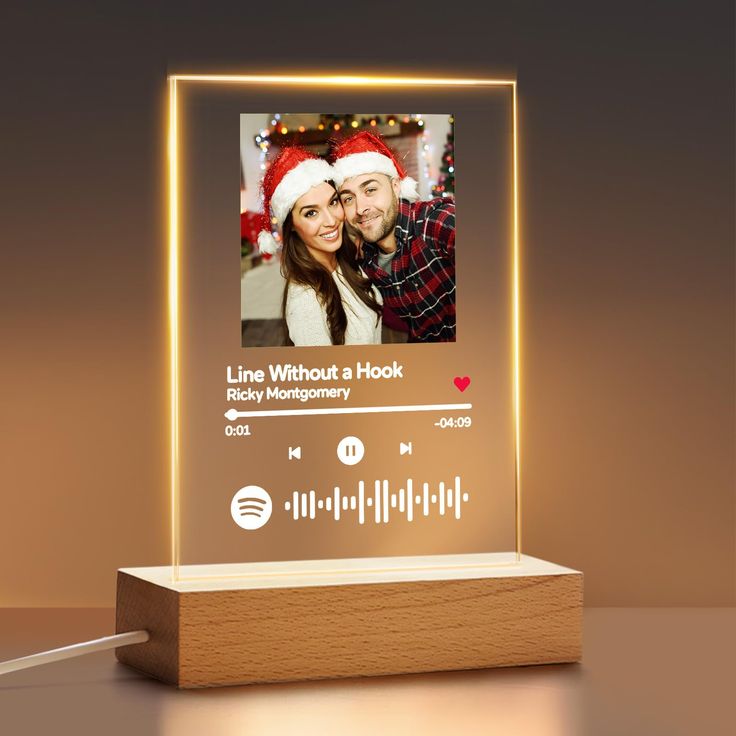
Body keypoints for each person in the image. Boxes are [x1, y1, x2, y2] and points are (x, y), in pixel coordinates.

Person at [331, 131, 456, 342]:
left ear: (395, 186)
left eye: (370, 190)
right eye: (349, 199)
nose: (361, 208)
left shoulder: (435, 223)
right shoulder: (366, 258)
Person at [257, 146, 382, 346]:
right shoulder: (306, 303)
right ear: (292, 227)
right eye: (311, 213)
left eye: (333, 203)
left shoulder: (344, 262)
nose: (331, 220)